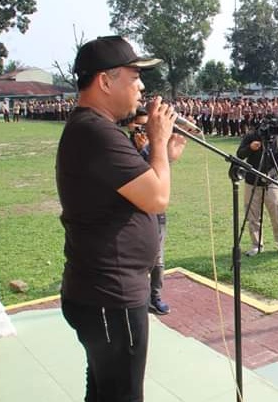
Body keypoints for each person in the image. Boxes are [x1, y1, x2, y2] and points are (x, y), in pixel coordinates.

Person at [56, 35, 187, 402]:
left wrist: (165, 159)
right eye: (134, 76)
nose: (141, 86)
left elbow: (137, 188)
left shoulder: (93, 129)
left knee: (102, 391)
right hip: (110, 297)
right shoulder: (96, 133)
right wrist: (158, 142)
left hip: (98, 291)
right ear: (105, 80)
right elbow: (158, 198)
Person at [125, 108, 172, 315]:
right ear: (129, 124)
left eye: (146, 126)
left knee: (158, 257)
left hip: (155, 212)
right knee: (134, 257)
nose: (142, 131)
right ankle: (136, 296)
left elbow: (158, 180)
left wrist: (153, 149)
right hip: (130, 214)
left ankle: (155, 295)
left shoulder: (155, 146)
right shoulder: (122, 145)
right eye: (138, 126)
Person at [236, 118, 278, 257]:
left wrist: (269, 175)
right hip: (251, 181)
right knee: (252, 214)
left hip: (271, 182)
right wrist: (250, 148)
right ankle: (256, 245)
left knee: (277, 213)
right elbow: (240, 154)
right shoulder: (251, 137)